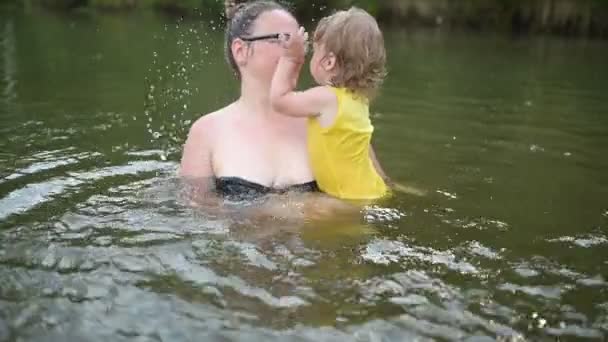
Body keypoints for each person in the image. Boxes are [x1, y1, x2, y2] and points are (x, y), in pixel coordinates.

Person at [179, 1, 318, 202]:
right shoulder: (207, 131)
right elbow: (196, 213)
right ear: (241, 51)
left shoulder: (328, 117)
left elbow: (370, 199)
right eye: (283, 39)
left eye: (300, 42)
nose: (296, 52)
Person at [269, 7, 391, 200]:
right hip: (372, 189)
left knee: (275, 208)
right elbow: (364, 148)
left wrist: (291, 58)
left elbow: (279, 100)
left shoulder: (326, 98)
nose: (311, 55)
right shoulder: (358, 99)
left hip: (348, 200)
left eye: (316, 51)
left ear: (328, 62)